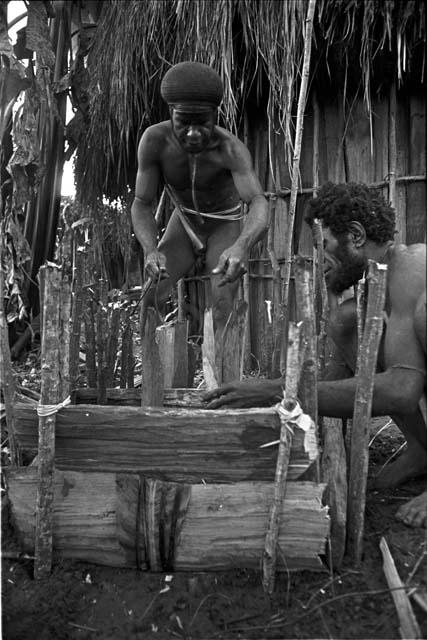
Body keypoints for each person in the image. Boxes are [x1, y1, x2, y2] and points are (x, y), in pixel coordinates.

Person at [204, 182, 427, 528]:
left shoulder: (413, 268)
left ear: (354, 235)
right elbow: (339, 382)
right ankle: (420, 449)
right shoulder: (379, 283)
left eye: (324, 246)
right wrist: (273, 387)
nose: (322, 259)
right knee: (347, 320)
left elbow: (401, 389)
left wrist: (280, 393)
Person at [131, 61, 268, 336]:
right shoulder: (154, 141)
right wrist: (150, 250)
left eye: (203, 123)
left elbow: (258, 202)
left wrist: (241, 246)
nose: (193, 134)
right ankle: (152, 377)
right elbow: (142, 203)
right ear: (171, 114)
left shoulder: (231, 149)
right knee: (150, 298)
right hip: (184, 222)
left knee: (222, 304)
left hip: (224, 225)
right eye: (184, 123)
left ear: (215, 116)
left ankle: (224, 379)